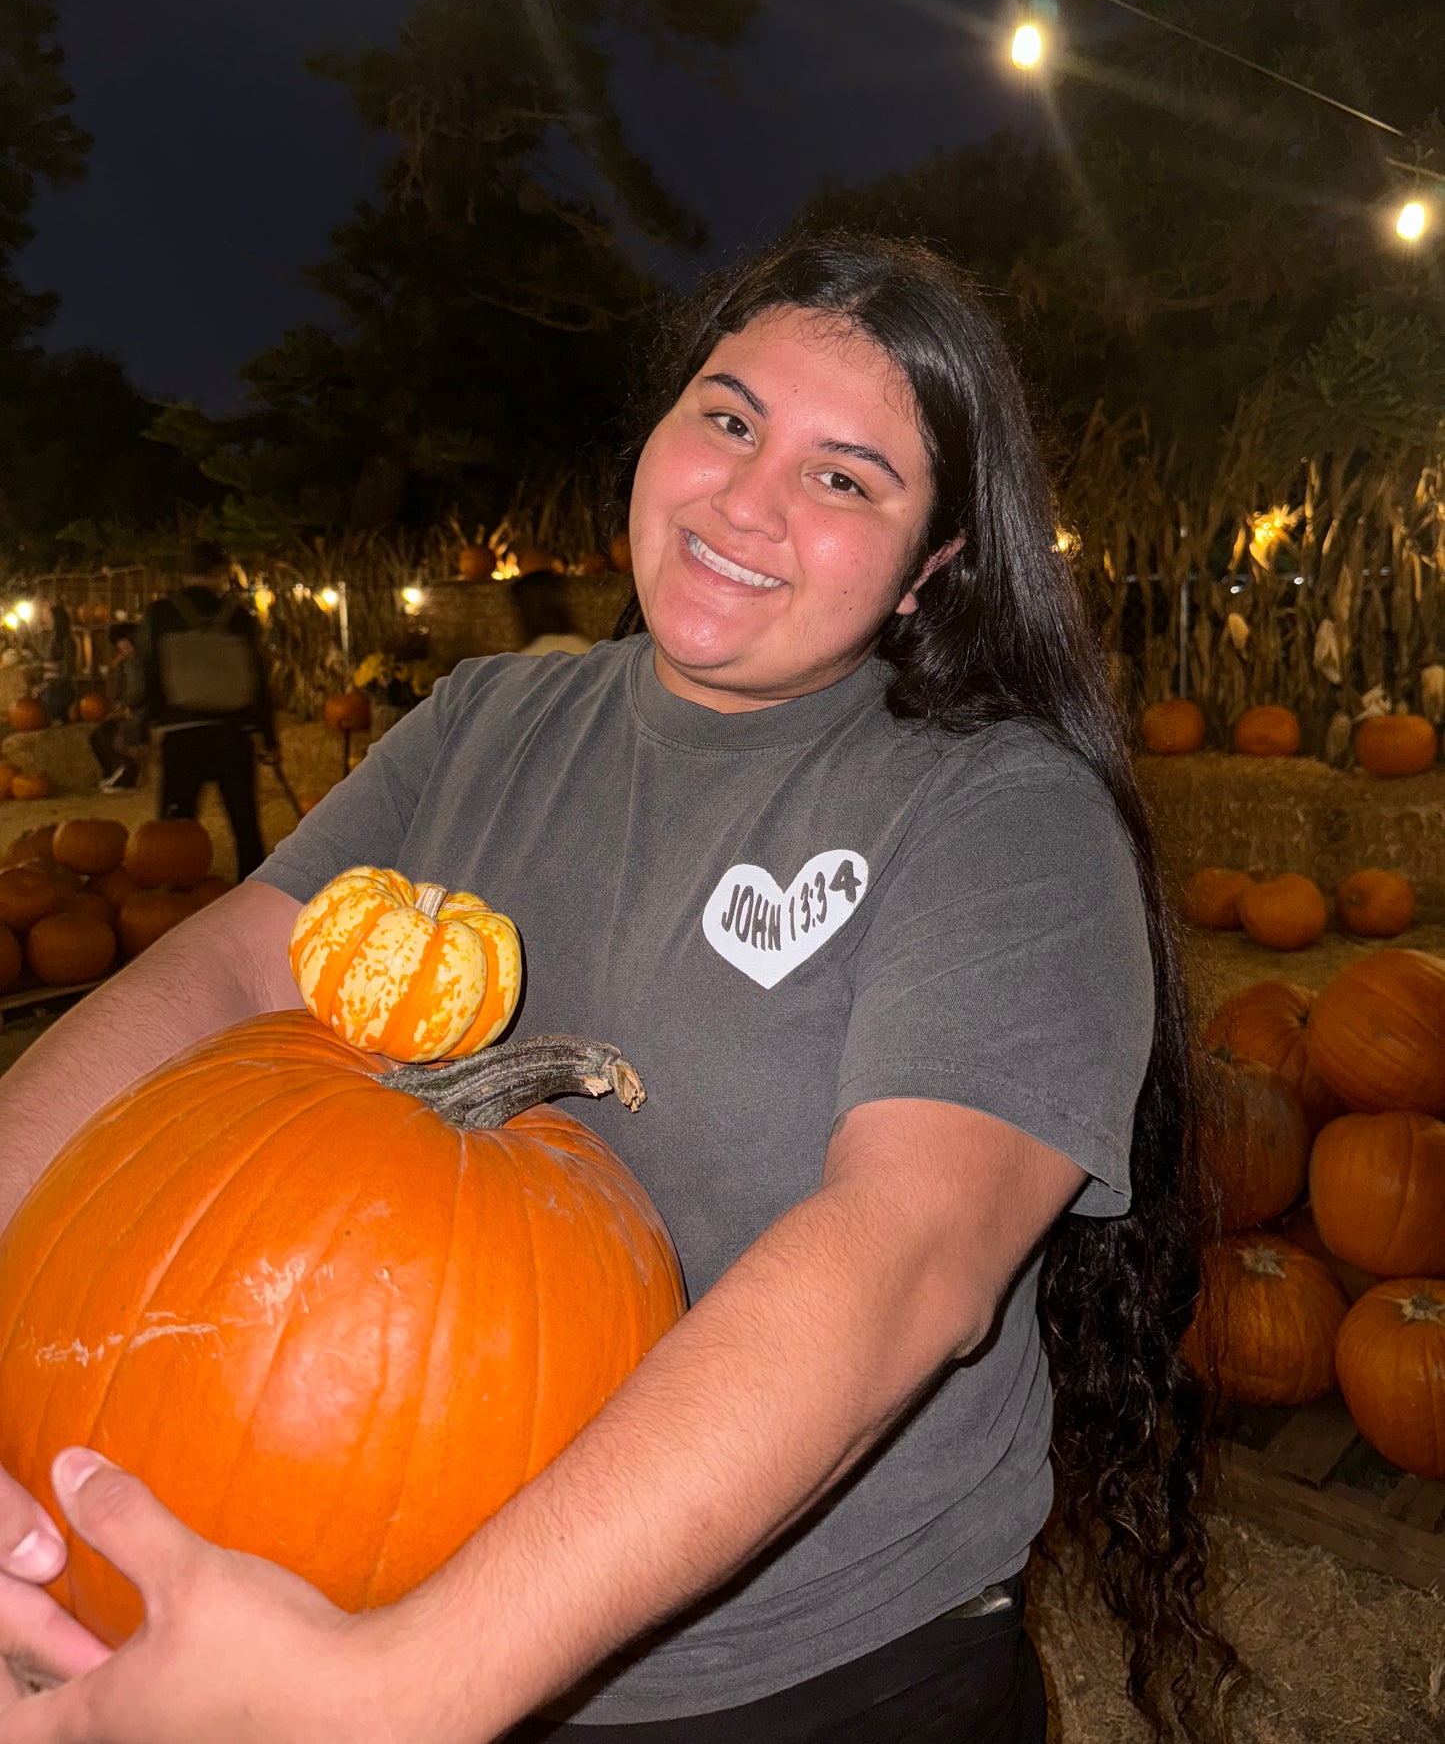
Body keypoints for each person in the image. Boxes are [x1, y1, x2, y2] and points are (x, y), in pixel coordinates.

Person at [0, 237, 1233, 1744]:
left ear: (936, 566)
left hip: (791, 1690)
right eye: (727, 419)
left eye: (846, 478)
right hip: (362, 1590)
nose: (746, 499)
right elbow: (227, 965)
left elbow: (904, 1248)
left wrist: (401, 1686)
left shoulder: (1003, 817)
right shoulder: (487, 720)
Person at [139, 540, 277, 879]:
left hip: (181, 733)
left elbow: (149, 672)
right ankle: (252, 894)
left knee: (176, 827)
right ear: (221, 573)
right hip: (233, 733)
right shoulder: (239, 617)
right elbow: (259, 678)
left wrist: (149, 726)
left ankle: (174, 895)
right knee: (245, 823)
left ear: (182, 573)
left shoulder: (161, 614)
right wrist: (267, 736)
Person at [90, 624, 147, 792]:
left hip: (141, 711)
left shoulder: (144, 662)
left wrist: (130, 705)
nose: (123, 647)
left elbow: (143, 689)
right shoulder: (124, 663)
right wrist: (118, 705)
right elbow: (118, 690)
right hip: (126, 709)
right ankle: (111, 772)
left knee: (121, 736)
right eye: (120, 644)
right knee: (97, 735)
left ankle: (126, 775)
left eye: (126, 643)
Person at [31, 601, 75, 727]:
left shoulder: (66, 642)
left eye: (50, 618)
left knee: (58, 723)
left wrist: (47, 685)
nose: (47, 620)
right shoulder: (50, 638)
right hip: (49, 689)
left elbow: (66, 671)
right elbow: (42, 657)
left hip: (59, 691)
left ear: (57, 620)